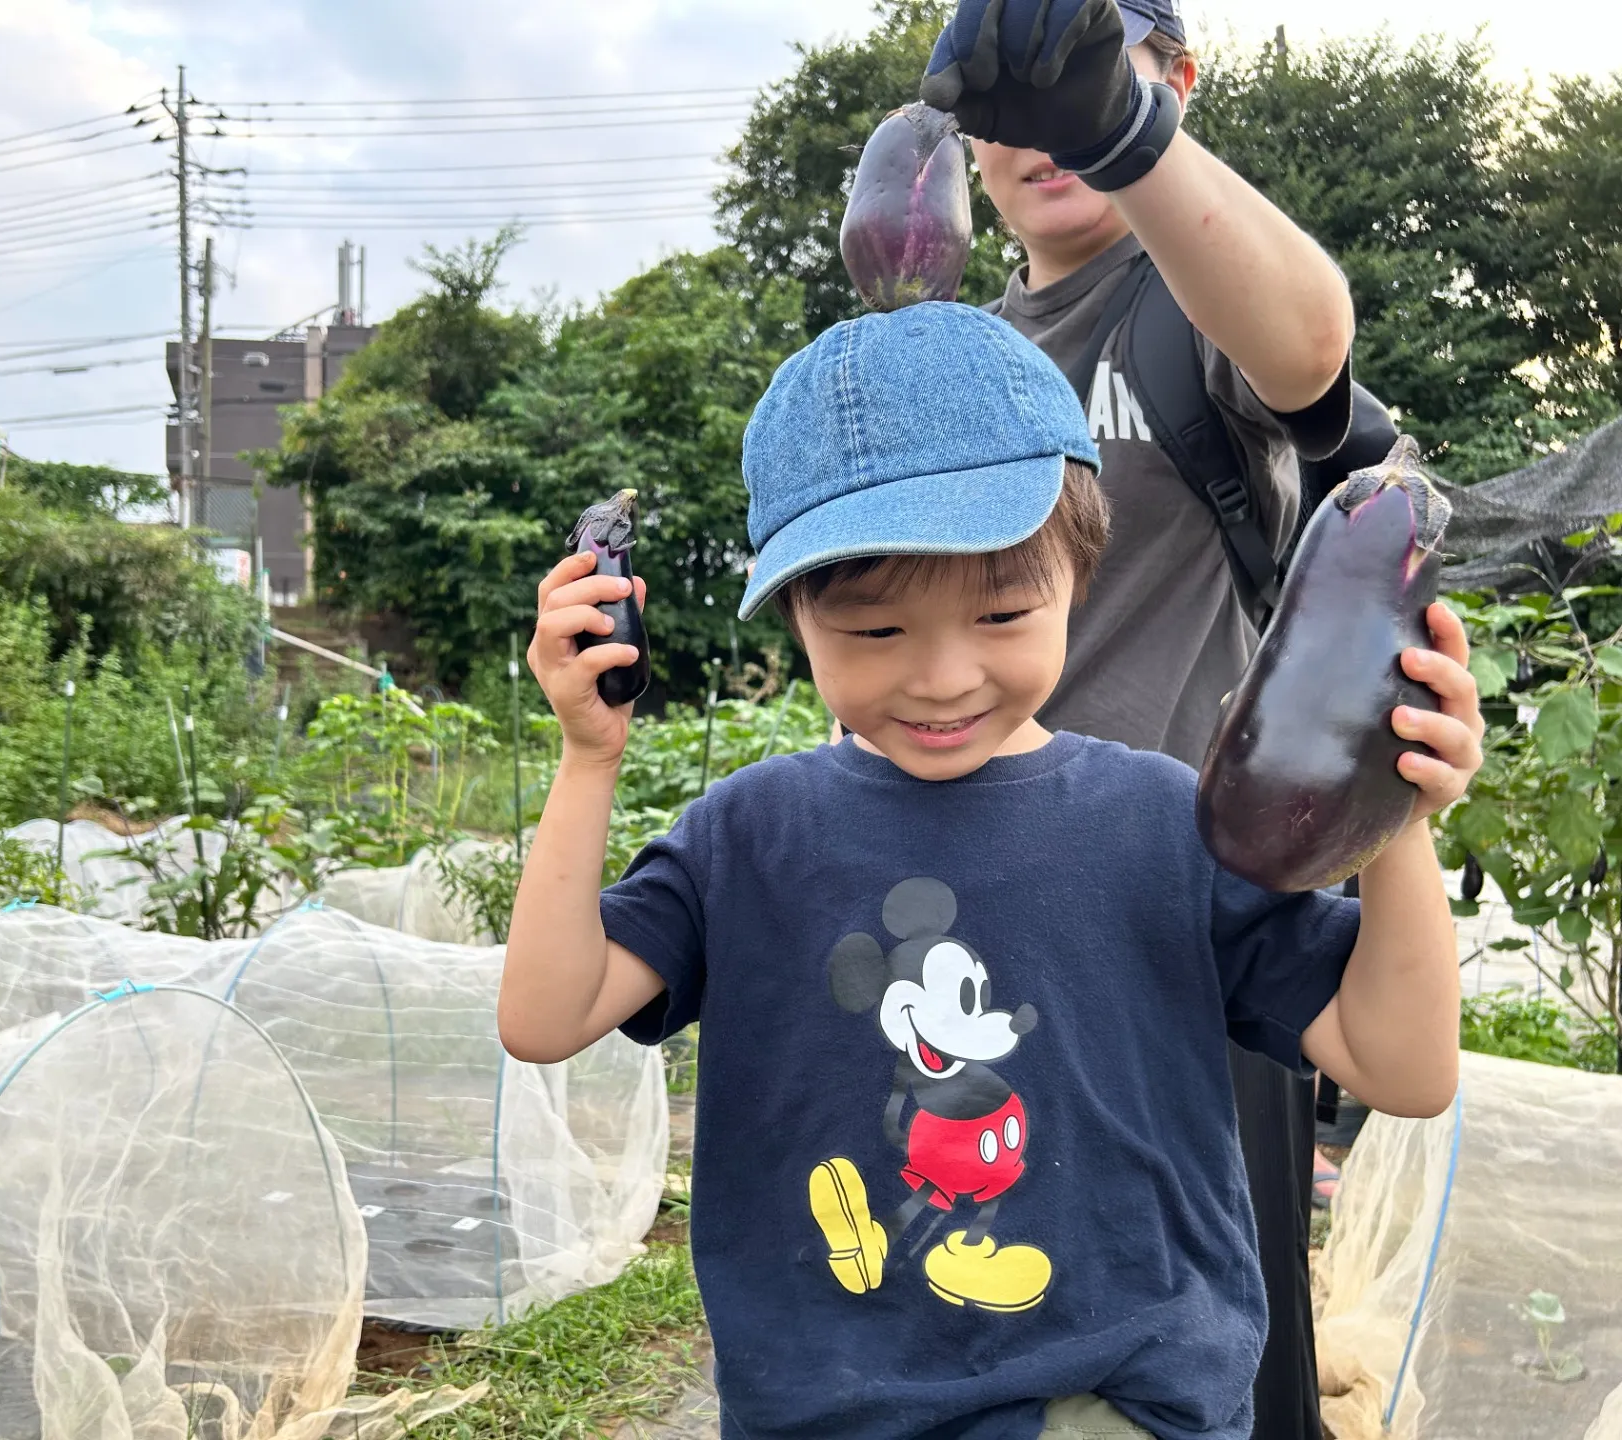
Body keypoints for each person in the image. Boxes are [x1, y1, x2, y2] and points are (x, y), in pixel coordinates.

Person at [500, 302, 1478, 1439]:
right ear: (797, 620)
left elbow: (1403, 1070)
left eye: (1005, 610)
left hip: (1124, 1409)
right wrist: (588, 758)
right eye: (874, 634)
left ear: (1082, 570)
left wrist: (1394, 819)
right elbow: (545, 1013)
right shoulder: (747, 839)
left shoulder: (1167, 823)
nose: (943, 675)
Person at [917, 3, 1359, 1434]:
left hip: (1190, 939)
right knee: (982, 1323)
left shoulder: (1190, 308)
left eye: (1096, 71)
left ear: (1168, 84)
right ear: (972, 139)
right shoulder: (963, 358)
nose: (1046, 128)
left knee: (1219, 1358)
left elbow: (1306, 350)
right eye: (1017, 99)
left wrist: (1122, 128)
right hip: (978, 936)